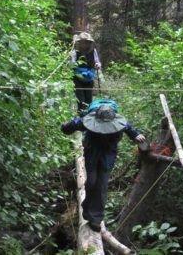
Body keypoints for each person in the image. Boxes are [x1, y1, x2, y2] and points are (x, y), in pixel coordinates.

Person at [61, 99, 145, 232]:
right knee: (91, 183)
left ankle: (95, 218)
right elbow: (74, 124)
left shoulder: (120, 123)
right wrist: (66, 127)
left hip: (108, 154)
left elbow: (129, 129)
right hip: (92, 152)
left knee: (101, 185)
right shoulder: (88, 120)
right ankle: (88, 208)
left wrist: (136, 135)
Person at [68, 32, 102, 113]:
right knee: (81, 100)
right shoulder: (75, 52)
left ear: (90, 43)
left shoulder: (93, 51)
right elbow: (70, 65)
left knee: (89, 100)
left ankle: (88, 117)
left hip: (89, 78)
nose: (85, 44)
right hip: (77, 79)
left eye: (87, 42)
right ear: (79, 43)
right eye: (83, 42)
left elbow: (97, 62)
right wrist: (70, 58)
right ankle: (81, 119)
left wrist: (97, 64)